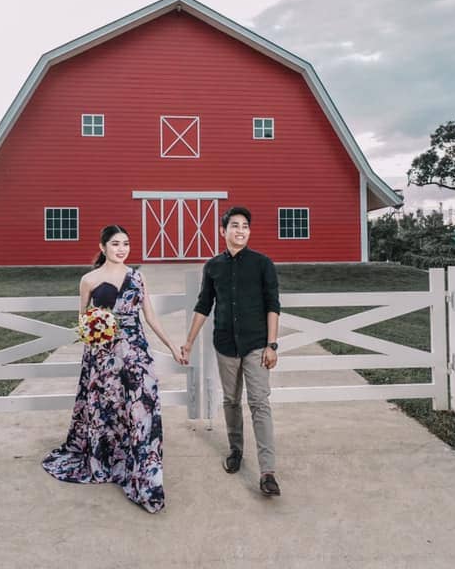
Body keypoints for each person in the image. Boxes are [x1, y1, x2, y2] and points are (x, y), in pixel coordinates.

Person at [42, 225, 186, 513]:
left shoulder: (137, 277)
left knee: (142, 407)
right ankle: (109, 460)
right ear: (103, 246)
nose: (121, 249)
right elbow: (83, 321)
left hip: (136, 353)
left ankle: (145, 472)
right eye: (115, 244)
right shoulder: (89, 280)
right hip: (103, 356)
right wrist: (96, 331)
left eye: (126, 244)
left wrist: (171, 345)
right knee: (107, 409)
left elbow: (151, 316)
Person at [181, 206, 282, 497]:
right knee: (231, 400)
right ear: (223, 231)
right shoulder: (213, 267)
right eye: (235, 226)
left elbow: (273, 305)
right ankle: (236, 450)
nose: (241, 230)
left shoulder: (263, 264)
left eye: (245, 226)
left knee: (260, 403)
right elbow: (203, 306)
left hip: (256, 345)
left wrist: (272, 344)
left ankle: (267, 472)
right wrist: (188, 341)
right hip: (225, 344)